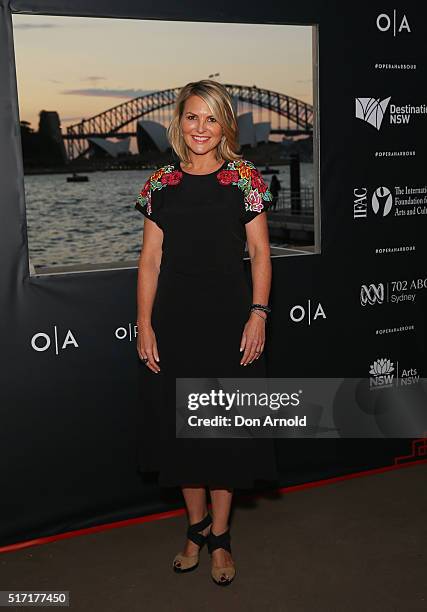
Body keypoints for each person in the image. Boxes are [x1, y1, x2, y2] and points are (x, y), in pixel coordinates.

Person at [134, 79, 279, 586]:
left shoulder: (244, 179)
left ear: (225, 125)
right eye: (193, 117)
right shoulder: (160, 183)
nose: (201, 128)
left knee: (221, 435)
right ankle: (194, 529)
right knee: (182, 439)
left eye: (211, 118)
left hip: (229, 324)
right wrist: (144, 324)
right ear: (180, 122)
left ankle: (220, 538)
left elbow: (260, 253)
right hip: (174, 325)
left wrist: (258, 313)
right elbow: (150, 261)